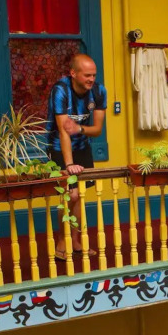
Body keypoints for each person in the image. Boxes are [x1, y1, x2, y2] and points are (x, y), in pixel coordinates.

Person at [46, 54, 106, 261]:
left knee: (79, 195)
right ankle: (62, 240)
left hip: (82, 147)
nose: (91, 79)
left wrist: (79, 128)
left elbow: (97, 130)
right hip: (58, 147)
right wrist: (69, 164)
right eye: (87, 75)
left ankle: (76, 240)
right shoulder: (60, 90)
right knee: (69, 195)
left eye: (94, 75)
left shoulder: (99, 91)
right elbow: (64, 131)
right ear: (73, 73)